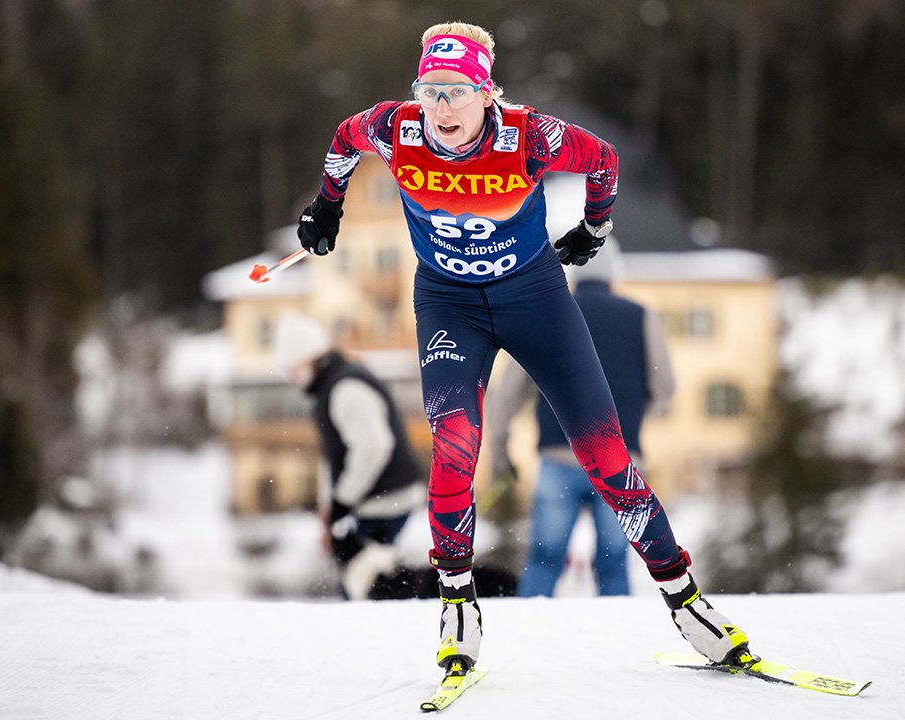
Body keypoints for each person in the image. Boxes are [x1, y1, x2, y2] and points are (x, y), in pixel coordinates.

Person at [294, 21, 756, 677]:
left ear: (489, 95)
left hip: (534, 300)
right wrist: (327, 206)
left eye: (458, 91)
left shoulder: (530, 135)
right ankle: (457, 603)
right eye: (431, 90)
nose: (442, 108)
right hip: (450, 304)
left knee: (607, 459)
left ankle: (685, 600)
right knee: (455, 445)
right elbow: (343, 140)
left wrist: (594, 226)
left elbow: (604, 161)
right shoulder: (394, 129)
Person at [487, 238, 675, 597]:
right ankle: (616, 640)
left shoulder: (546, 314)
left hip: (559, 455)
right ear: (614, 272)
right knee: (615, 562)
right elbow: (664, 386)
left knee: (544, 559)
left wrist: (500, 447)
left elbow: (509, 392)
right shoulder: (640, 316)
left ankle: (527, 635)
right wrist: (632, 417)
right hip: (621, 460)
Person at [272, 310, 425, 600]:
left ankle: (372, 640)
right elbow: (337, 456)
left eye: (291, 369)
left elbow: (373, 446)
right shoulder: (333, 386)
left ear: (309, 359)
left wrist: (342, 501)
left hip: (384, 504)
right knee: (369, 587)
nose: (292, 378)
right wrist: (332, 507)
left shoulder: (346, 388)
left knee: (366, 590)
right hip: (373, 501)